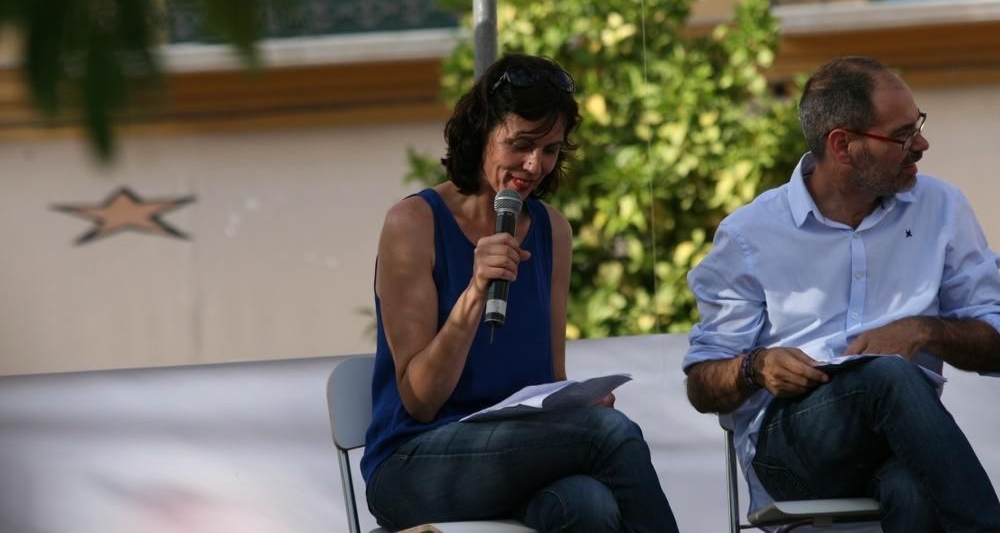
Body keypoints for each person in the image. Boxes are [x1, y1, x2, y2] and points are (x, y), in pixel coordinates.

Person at [360, 53, 678, 532]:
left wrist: (577, 404)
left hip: (513, 459)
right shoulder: (413, 223)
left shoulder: (553, 230)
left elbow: (550, 377)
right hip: (414, 465)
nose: (535, 165)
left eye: (550, 150)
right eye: (522, 143)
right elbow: (420, 400)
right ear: (482, 132)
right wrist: (475, 292)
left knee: (589, 504)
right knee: (608, 435)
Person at [683, 56, 1000, 532]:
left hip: (900, 444)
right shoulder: (751, 233)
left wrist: (922, 330)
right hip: (794, 451)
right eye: (902, 135)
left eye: (918, 126)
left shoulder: (942, 208)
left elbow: (995, 343)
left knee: (913, 493)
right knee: (888, 376)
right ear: (843, 145)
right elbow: (702, 386)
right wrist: (756, 366)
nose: (922, 144)